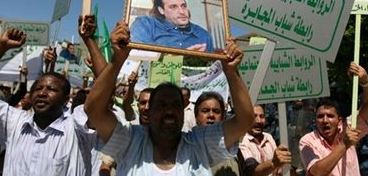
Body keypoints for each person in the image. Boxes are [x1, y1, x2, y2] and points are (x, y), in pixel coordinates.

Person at [84, 21, 254, 175]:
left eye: (175, 105)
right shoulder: (129, 139)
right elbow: (94, 110)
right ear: (148, 112)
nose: (169, 110)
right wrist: (118, 59)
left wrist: (232, 73)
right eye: (161, 105)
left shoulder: (200, 143)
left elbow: (244, 120)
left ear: (184, 110)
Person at [0, 29, 97, 175]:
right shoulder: (14, 122)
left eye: (51, 89)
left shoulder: (78, 130)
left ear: (66, 100)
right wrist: (1, 46)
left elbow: (100, 100)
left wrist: (89, 40)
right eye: (38, 88)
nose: (42, 93)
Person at [299, 62, 368, 176]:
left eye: (330, 116)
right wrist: (344, 145)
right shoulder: (308, 141)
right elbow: (316, 173)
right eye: (320, 116)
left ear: (339, 121)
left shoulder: (349, 127)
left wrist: (366, 81)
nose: (325, 120)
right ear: (315, 121)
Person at [130, 0, 214, 52]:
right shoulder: (145, 24)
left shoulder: (203, 35)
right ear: (161, 10)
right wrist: (183, 57)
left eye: (183, 6)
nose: (182, 11)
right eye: (173, 7)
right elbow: (143, 57)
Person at [194, 91, 241, 176]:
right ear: (196, 116)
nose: (211, 115)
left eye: (216, 111)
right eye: (205, 111)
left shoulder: (233, 147)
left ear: (223, 117)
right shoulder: (187, 147)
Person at [239, 104, 292, 176]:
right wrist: (274, 163)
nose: (258, 121)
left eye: (262, 116)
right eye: (254, 116)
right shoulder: (241, 141)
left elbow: (279, 168)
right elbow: (253, 172)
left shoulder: (268, 137)